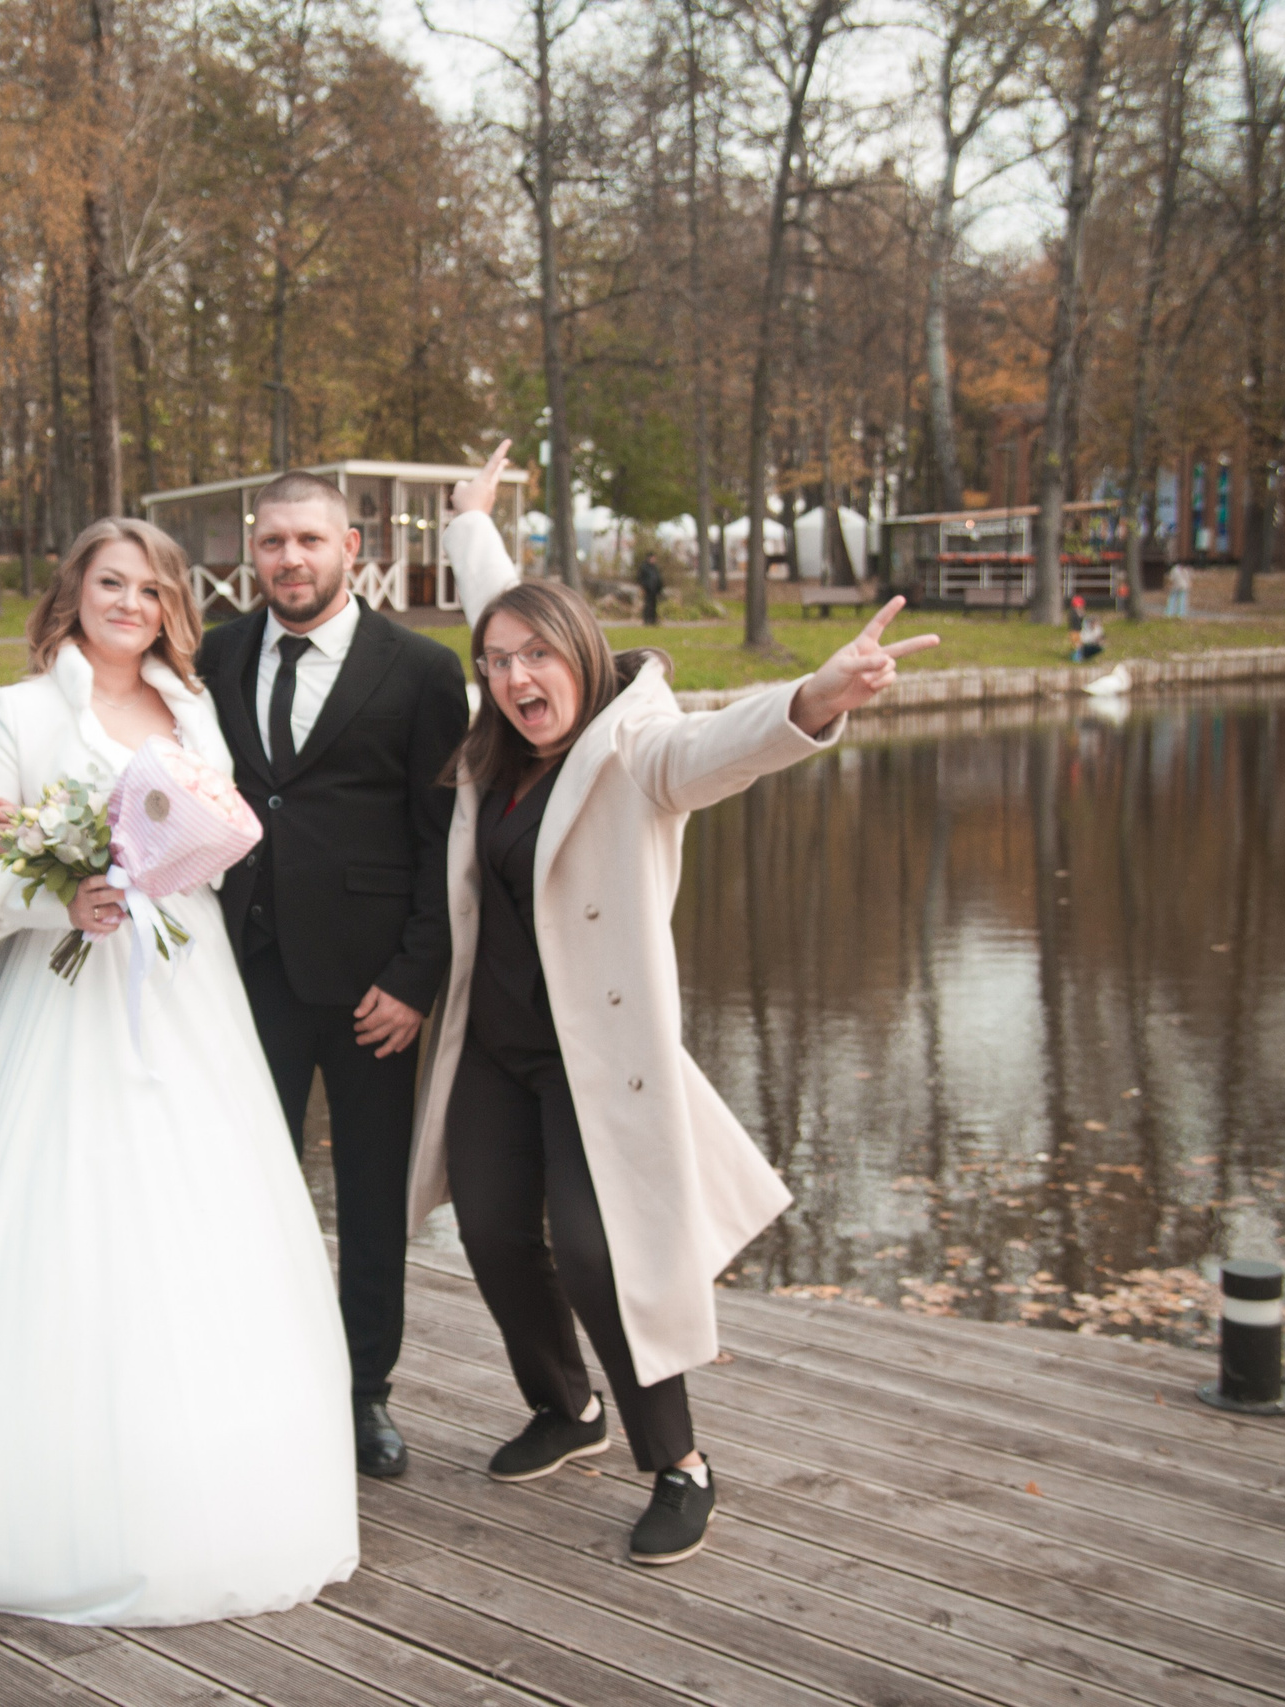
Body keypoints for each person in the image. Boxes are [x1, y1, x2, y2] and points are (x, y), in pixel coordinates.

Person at [0, 518, 358, 1626]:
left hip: (184, 989)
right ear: (75, 592)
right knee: (60, 1217)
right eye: (111, 582)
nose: (131, 604)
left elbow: (213, 832)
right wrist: (64, 895)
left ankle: (210, 1475)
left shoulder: (192, 708)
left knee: (201, 1218)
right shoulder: (18, 713)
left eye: (151, 589)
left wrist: (179, 861)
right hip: (64, 995)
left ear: (168, 608)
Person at [424, 440, 933, 1565]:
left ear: (583, 655)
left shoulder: (634, 749)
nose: (516, 678)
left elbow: (720, 749)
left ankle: (681, 1462)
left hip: (594, 1059)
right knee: (497, 1233)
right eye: (498, 662)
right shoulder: (500, 746)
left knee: (601, 1254)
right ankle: (567, 1410)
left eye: (537, 658)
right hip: (496, 1052)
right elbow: (494, 605)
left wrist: (813, 697)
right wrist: (470, 521)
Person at [192, 467, 470, 1478]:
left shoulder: (421, 671)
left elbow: (445, 841)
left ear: (351, 546)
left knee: (367, 1195)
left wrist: (414, 978)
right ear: (250, 553)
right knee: (245, 1187)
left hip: (371, 992)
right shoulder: (214, 658)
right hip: (241, 975)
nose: (289, 560)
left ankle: (363, 1391)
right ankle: (257, 1374)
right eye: (271, 544)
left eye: (309, 541)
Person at [636, 552, 664, 626]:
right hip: (647, 589)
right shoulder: (644, 567)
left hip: (655, 589)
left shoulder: (655, 567)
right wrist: (643, 587)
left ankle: (653, 620)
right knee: (648, 605)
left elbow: (658, 578)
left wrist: (659, 588)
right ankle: (647, 620)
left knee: (654, 605)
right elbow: (640, 578)